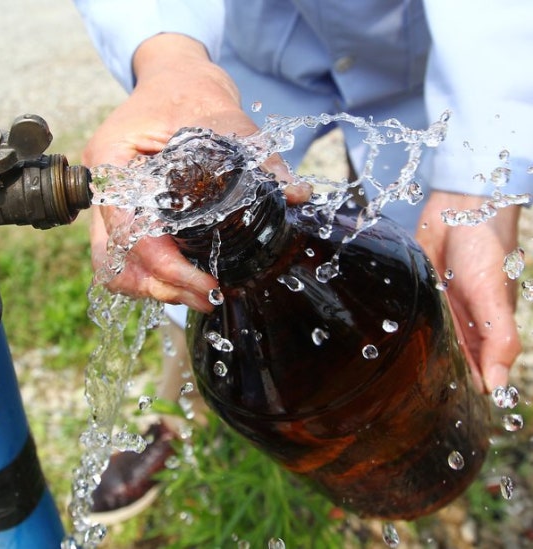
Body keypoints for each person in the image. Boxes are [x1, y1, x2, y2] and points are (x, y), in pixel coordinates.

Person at [73, 0, 533, 522]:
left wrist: (477, 187)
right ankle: (177, 414)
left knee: (422, 265)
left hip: (425, 57)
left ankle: (433, 409)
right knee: (187, 280)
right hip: (242, 52)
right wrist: (169, 56)